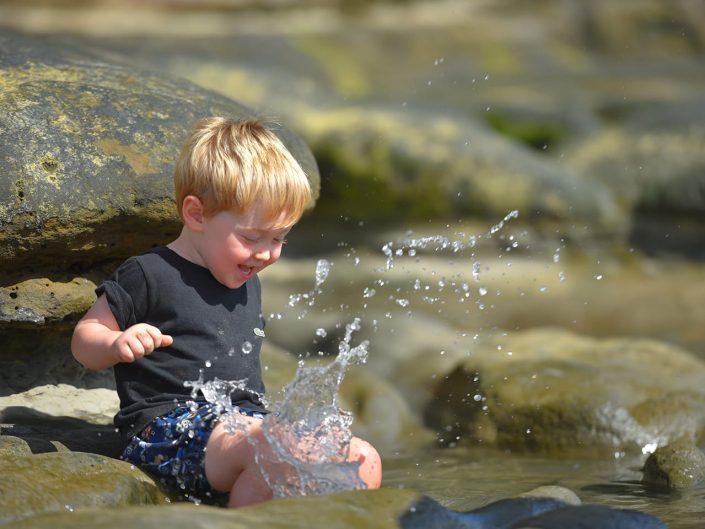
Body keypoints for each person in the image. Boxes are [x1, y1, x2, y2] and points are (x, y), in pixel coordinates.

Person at [71, 117, 382, 507]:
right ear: (197, 215)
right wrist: (117, 342)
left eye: (279, 239)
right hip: (167, 433)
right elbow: (85, 339)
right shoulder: (150, 273)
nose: (267, 253)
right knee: (270, 442)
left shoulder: (249, 281)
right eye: (252, 237)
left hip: (241, 429)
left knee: (362, 456)